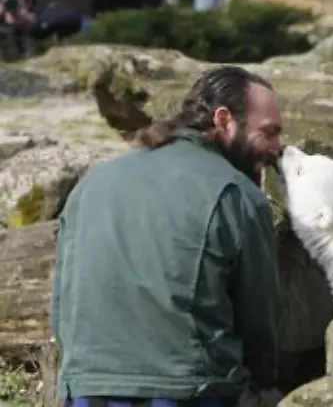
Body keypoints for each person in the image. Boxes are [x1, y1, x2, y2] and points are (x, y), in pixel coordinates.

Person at [51, 66, 284, 407]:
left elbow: (61, 306)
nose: (279, 147)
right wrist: (266, 386)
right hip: (189, 391)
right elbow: (259, 327)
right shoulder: (236, 196)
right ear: (224, 120)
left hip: (88, 387)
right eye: (270, 132)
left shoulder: (92, 183)